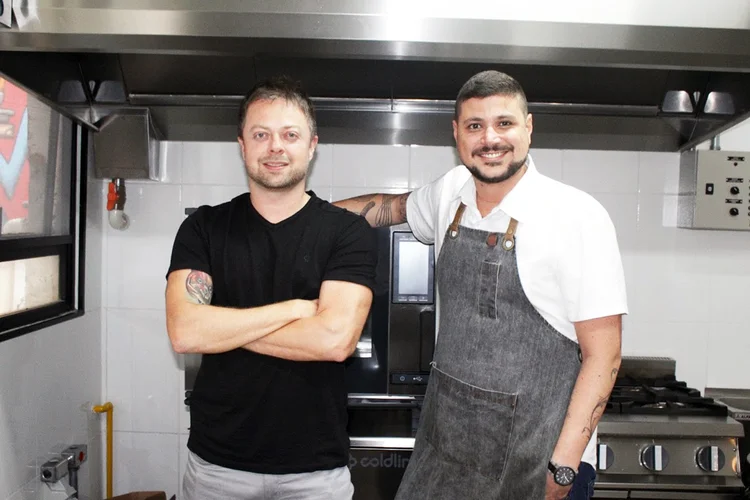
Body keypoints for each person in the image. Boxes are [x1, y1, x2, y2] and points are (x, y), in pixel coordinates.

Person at [334, 70, 627, 500]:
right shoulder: (450, 192)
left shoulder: (578, 216)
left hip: (538, 461)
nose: (490, 138)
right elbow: (389, 209)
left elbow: (605, 354)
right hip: (446, 450)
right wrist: (304, 219)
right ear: (457, 134)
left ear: (528, 127)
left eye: (504, 123)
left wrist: (562, 467)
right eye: (475, 126)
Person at [165, 76, 377, 500]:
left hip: (315, 472)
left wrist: (223, 327)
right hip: (216, 468)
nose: (275, 147)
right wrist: (296, 309)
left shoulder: (346, 232)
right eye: (261, 134)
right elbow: (186, 332)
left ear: (312, 146)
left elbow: (334, 341)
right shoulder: (203, 228)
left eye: (290, 135)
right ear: (242, 145)